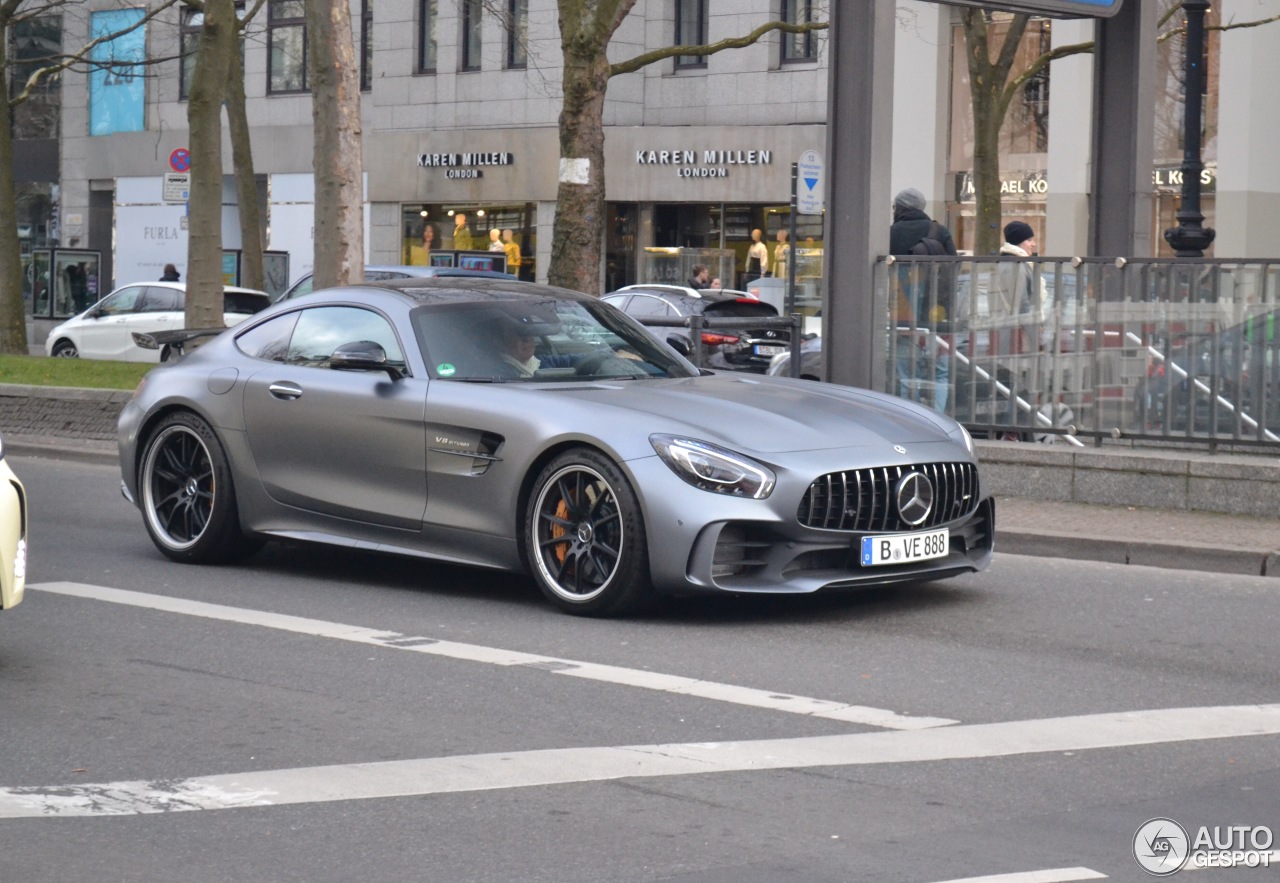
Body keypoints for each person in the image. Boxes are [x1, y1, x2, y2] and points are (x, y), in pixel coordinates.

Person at [890, 187, 957, 412]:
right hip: (938, 314)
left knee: (908, 373)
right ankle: (938, 419)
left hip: (903, 314)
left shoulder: (890, 234)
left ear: (899, 207)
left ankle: (912, 419)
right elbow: (953, 272)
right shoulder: (941, 232)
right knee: (941, 371)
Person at [988, 220, 1046, 359]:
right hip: (1015, 332)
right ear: (1018, 242)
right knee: (1019, 374)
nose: (1034, 244)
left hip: (1010, 330)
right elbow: (1021, 303)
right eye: (1029, 240)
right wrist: (1036, 336)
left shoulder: (1011, 263)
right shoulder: (1016, 265)